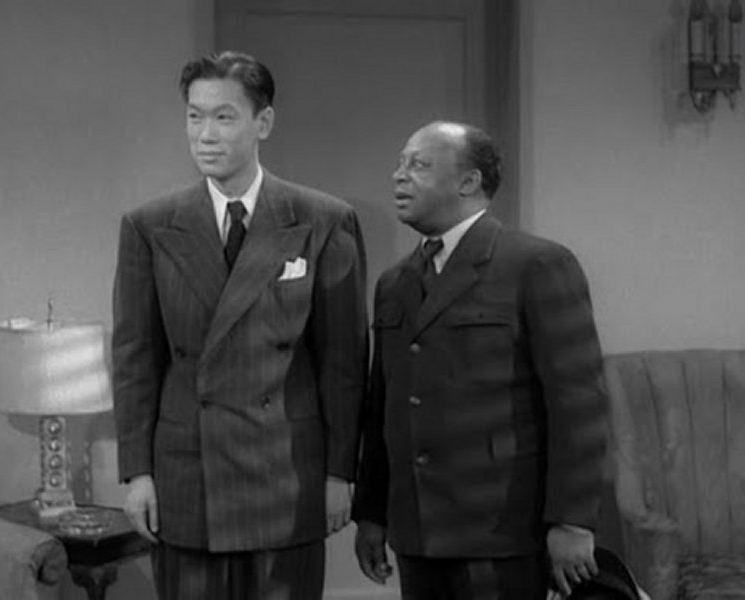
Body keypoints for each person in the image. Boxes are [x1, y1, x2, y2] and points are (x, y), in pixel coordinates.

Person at [112, 50, 368, 599]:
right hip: (188, 476)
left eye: (224, 117)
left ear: (263, 122)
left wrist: (339, 474)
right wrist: (138, 474)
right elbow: (135, 360)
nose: (205, 134)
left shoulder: (323, 220)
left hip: (286, 474)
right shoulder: (149, 225)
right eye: (194, 116)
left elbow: (344, 363)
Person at [352, 121, 609, 599]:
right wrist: (371, 514)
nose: (399, 176)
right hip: (417, 532)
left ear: (469, 181)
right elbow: (383, 406)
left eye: (418, 165)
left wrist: (573, 521)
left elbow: (578, 405)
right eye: (400, 164)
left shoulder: (535, 265)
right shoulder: (395, 283)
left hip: (502, 532)